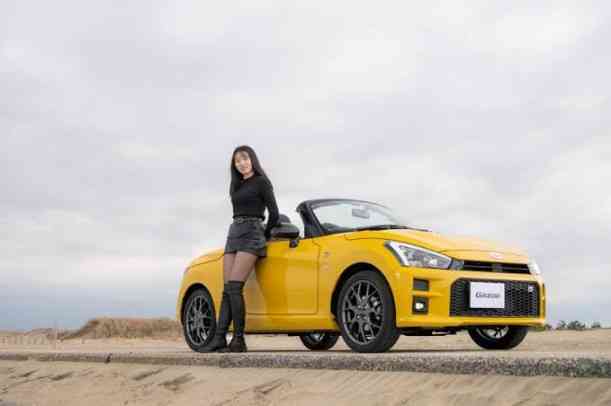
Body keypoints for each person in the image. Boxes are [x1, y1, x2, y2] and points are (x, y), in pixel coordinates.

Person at [204, 145, 280, 352]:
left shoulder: (262, 182)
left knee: (235, 287)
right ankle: (219, 338)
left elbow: (274, 213)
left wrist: (264, 235)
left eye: (244, 159)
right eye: (237, 161)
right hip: (234, 232)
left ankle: (238, 340)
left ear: (252, 159)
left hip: (252, 233)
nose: (241, 163)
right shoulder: (236, 185)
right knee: (227, 290)